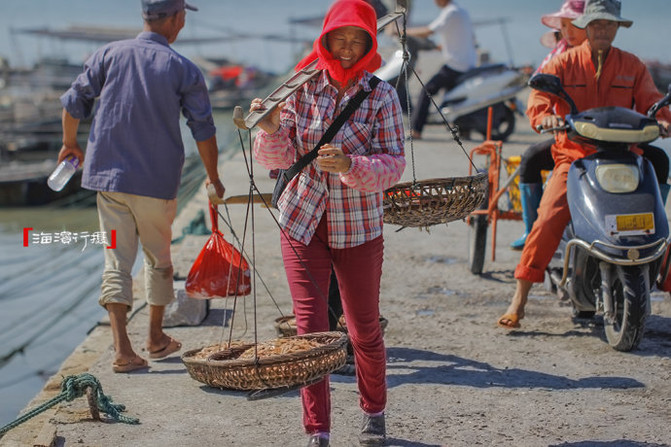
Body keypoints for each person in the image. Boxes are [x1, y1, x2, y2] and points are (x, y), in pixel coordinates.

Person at [250, 0, 405, 445]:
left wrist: (349, 165)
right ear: (325, 38)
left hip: (357, 228)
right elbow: (274, 160)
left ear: (371, 46)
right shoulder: (299, 88)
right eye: (341, 39)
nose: (349, 48)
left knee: (363, 328)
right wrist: (273, 125)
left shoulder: (382, 95)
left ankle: (373, 412)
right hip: (301, 223)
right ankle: (317, 430)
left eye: (359, 41)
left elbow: (393, 165)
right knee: (310, 332)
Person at [57, 0, 225, 373]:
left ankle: (122, 349)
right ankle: (154, 337)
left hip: (108, 179)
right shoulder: (183, 68)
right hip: (156, 181)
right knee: (158, 259)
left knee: (116, 259)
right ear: (177, 19)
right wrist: (213, 178)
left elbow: (73, 103)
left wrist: (70, 144)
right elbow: (204, 130)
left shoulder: (108, 54)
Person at [497, 0, 671, 329]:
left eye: (609, 24)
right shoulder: (562, 63)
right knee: (547, 219)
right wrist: (546, 116)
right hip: (575, 156)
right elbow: (539, 100)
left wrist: (663, 120)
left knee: (658, 221)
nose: (602, 29)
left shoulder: (633, 66)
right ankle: (518, 299)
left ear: (618, 27)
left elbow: (651, 101)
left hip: (625, 155)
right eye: (596, 24)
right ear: (585, 27)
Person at [510, 0, 587, 250]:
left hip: (606, 139)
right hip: (567, 136)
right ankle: (533, 231)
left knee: (657, 161)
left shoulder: (611, 58)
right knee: (531, 158)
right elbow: (538, 93)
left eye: (574, 23)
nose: (568, 30)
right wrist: (546, 118)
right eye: (565, 25)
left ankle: (647, 236)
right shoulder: (559, 58)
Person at [405, 0, 476, 140]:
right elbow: (463, 36)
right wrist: (441, 47)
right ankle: (464, 130)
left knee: (426, 91)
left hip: (456, 65)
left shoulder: (451, 12)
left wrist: (404, 32)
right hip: (467, 62)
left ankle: (416, 130)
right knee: (455, 96)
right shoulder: (461, 11)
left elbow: (428, 31)